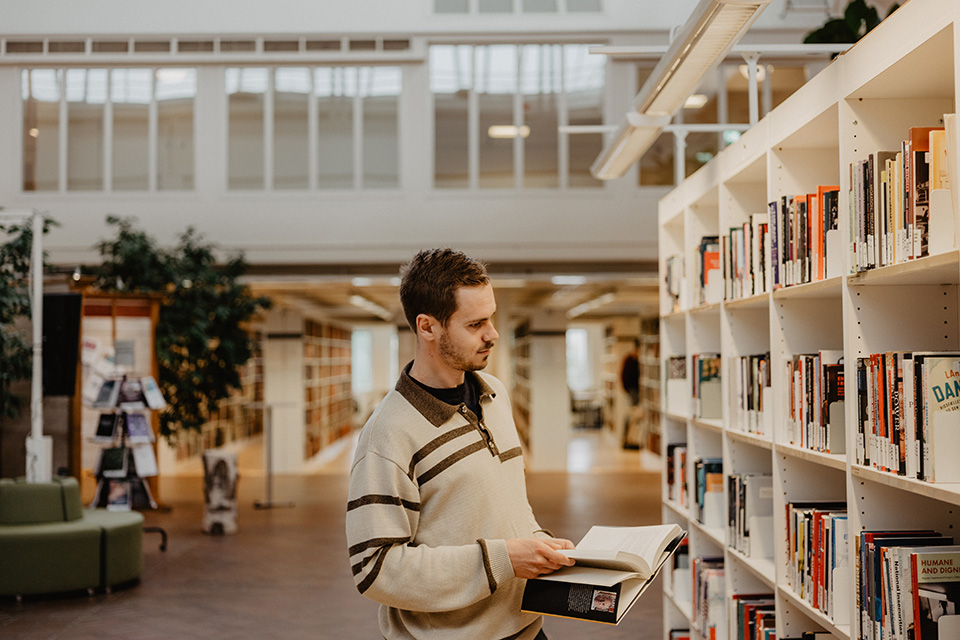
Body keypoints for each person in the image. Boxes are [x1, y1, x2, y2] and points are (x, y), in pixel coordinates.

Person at [346, 248, 575, 640]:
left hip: (527, 629)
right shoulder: (388, 434)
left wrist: (538, 543)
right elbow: (375, 569)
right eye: (475, 324)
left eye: (492, 318)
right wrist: (504, 559)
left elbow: (503, 507)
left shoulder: (496, 396)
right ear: (427, 327)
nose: (493, 334)